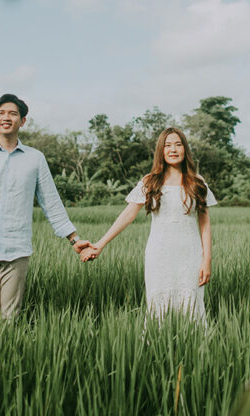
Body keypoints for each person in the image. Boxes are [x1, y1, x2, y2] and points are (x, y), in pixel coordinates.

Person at [0, 93, 91, 322]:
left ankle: (7, 356)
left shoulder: (35, 159)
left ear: (22, 121)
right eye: (2, 113)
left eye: (13, 114)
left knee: (10, 320)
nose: (7, 117)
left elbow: (51, 202)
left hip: (17, 251)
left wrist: (74, 239)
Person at [81, 127, 217, 323]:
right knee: (158, 308)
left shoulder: (196, 182)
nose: (173, 149)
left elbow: (204, 223)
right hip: (159, 254)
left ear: (185, 150)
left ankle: (193, 352)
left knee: (192, 308)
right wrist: (100, 244)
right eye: (168, 145)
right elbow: (127, 215)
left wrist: (207, 260)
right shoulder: (150, 181)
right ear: (161, 151)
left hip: (190, 255)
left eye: (178, 145)